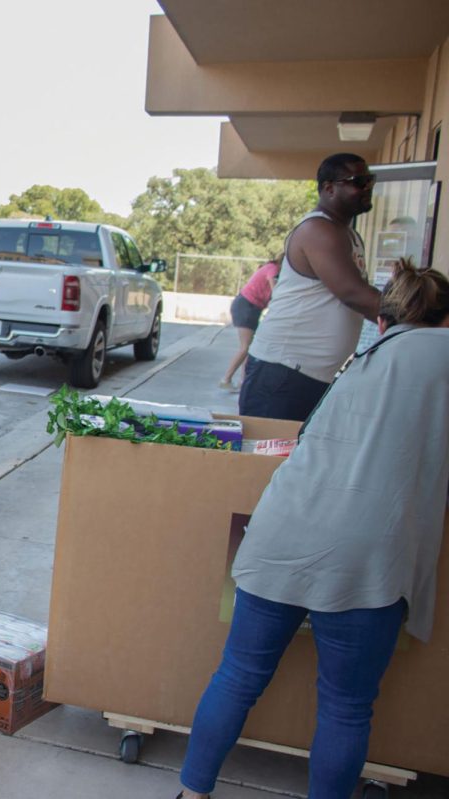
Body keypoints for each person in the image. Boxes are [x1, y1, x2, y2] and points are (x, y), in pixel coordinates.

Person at [177, 261, 449, 799]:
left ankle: (192, 791)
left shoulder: (366, 356)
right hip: (366, 556)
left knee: (237, 675)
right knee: (346, 707)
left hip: (281, 529)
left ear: (387, 315)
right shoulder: (440, 353)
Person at [238, 153, 381, 421]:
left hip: (312, 374)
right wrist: (421, 317)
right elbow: (355, 294)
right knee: (266, 462)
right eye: (358, 181)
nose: (367, 187)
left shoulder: (348, 234)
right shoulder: (317, 230)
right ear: (329, 188)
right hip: (284, 373)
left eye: (369, 180)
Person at [218, 257, 280, 390]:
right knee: (246, 347)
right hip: (247, 305)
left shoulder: (270, 267)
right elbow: (276, 292)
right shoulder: (273, 269)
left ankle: (243, 382)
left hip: (251, 307)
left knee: (249, 347)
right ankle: (226, 379)